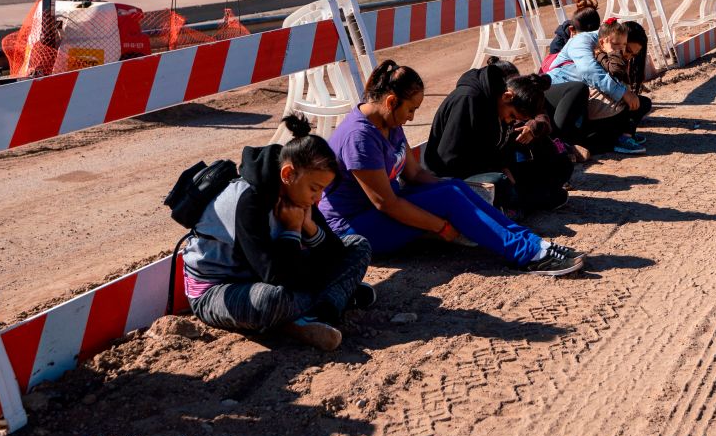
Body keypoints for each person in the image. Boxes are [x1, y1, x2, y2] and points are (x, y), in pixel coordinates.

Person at [318, 59, 585, 275]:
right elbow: (385, 204)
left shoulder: (390, 123)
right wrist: (441, 227)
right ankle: (528, 255)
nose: (412, 118)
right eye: (411, 110)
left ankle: (533, 243)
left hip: (383, 209)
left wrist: (455, 193)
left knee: (454, 188)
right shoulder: (360, 137)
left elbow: (415, 174)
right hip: (352, 228)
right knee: (449, 196)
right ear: (391, 102)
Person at [182, 115, 374, 351]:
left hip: (276, 275)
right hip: (219, 289)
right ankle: (329, 303)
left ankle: (317, 314)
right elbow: (275, 276)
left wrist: (309, 228)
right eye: (315, 189)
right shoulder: (248, 201)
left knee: (358, 245)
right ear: (288, 174)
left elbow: (337, 252)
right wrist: (292, 230)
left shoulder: (298, 191)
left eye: (322, 189)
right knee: (271, 300)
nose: (319, 198)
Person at [424, 59, 573, 213]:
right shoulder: (467, 100)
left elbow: (498, 147)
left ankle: (521, 202)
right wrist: (498, 169)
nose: (510, 121)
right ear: (507, 97)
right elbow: (449, 159)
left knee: (561, 165)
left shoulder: (499, 103)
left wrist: (503, 166)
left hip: (493, 167)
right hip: (455, 176)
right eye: (512, 116)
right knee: (499, 183)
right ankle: (519, 204)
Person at [548, 20, 642, 155]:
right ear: (605, 40)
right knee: (621, 101)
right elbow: (590, 72)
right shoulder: (583, 41)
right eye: (625, 48)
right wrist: (623, 93)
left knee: (640, 103)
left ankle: (620, 136)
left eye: (624, 46)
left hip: (586, 96)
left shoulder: (614, 48)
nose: (624, 53)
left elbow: (616, 78)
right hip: (563, 94)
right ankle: (566, 143)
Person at [596, 20, 656, 149]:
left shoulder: (622, 60)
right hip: (602, 108)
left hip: (613, 105)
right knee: (634, 103)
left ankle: (623, 134)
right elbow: (614, 77)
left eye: (633, 55)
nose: (628, 56)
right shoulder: (606, 58)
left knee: (642, 103)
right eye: (627, 50)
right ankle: (622, 138)